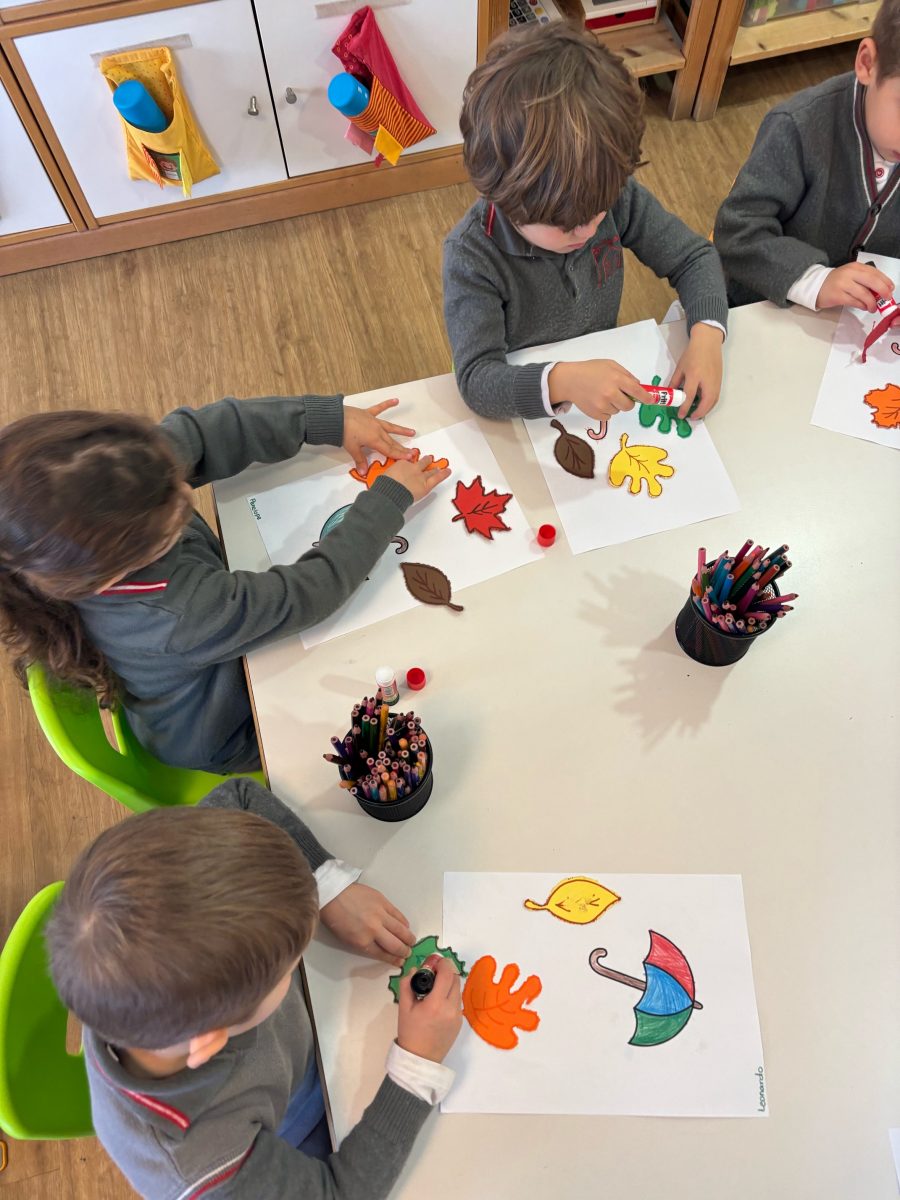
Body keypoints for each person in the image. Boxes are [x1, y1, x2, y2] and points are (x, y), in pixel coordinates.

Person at [46, 777, 463, 1199]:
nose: (298, 959)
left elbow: (238, 798)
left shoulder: (151, 949)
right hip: (294, 1130)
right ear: (214, 1039)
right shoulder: (207, 1169)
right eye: (288, 966)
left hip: (305, 1047)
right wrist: (416, 1065)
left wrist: (328, 888)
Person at [0, 395, 449, 772]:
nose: (186, 490)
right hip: (228, 727)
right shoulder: (179, 614)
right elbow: (309, 593)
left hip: (213, 653)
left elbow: (202, 432)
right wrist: (387, 501)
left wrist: (325, 421)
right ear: (114, 570)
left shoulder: (126, 472)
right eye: (173, 517)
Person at [442, 21, 728, 427]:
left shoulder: (608, 196)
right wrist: (561, 381)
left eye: (598, 212)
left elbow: (694, 258)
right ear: (505, 199)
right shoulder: (472, 255)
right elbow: (477, 380)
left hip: (600, 376)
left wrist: (708, 335)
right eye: (567, 225)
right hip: (530, 408)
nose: (590, 231)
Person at [714, 0, 900, 314]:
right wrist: (814, 280)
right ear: (868, 64)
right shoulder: (798, 127)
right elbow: (736, 231)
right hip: (766, 307)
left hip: (861, 321)